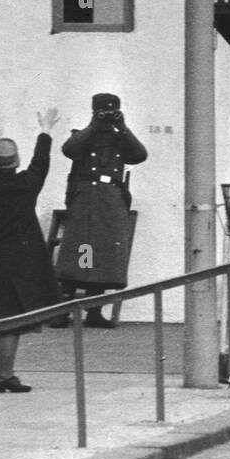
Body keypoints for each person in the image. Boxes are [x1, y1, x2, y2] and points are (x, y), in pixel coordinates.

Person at [0, 110, 63, 393]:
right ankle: (5, 375)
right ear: (15, 163)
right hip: (23, 261)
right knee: (13, 319)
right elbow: (41, 164)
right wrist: (45, 130)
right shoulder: (26, 185)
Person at [52, 93, 148, 329]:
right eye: (103, 111)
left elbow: (140, 155)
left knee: (104, 251)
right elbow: (70, 149)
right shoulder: (85, 136)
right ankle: (65, 310)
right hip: (87, 197)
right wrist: (94, 124)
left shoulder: (120, 139)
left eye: (112, 111)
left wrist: (121, 126)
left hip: (110, 198)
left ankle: (94, 310)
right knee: (82, 250)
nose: (107, 116)